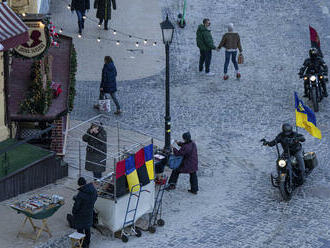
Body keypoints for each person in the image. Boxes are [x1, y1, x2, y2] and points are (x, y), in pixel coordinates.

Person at [72, 177, 97, 248]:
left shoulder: (81, 194)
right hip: (89, 212)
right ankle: (87, 243)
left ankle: (82, 245)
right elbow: (94, 198)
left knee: (80, 229)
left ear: (79, 184)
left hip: (81, 215)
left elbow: (77, 206)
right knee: (87, 228)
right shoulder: (93, 190)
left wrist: (74, 212)